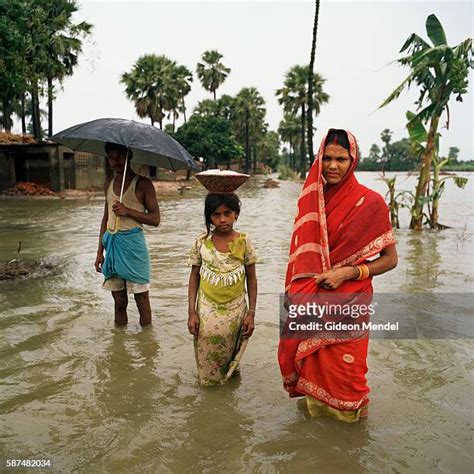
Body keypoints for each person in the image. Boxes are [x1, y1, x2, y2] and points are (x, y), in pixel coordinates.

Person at [278, 128, 398, 422]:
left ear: (353, 160)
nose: (333, 166)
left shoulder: (370, 202)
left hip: (350, 303)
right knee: (314, 370)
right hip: (312, 302)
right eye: (327, 158)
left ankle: (352, 438)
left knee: (349, 376)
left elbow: (391, 259)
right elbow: (300, 256)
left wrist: (349, 272)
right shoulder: (310, 201)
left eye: (341, 159)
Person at [187, 193, 257, 386]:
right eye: (216, 215)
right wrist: (191, 312)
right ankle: (210, 393)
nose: (223, 219)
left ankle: (227, 388)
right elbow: (194, 276)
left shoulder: (244, 242)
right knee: (207, 357)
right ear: (209, 217)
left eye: (228, 213)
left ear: (237, 214)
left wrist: (251, 313)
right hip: (207, 308)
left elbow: (251, 278)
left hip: (235, 310)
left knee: (230, 357)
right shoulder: (201, 243)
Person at [95, 142, 160, 326]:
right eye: (111, 157)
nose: (115, 161)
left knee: (141, 300)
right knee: (119, 302)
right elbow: (105, 217)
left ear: (129, 156)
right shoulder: (108, 184)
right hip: (112, 246)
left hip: (134, 248)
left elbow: (155, 219)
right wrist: (100, 252)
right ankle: (119, 345)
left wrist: (128, 211)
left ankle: (147, 346)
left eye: (120, 156)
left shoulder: (143, 184)